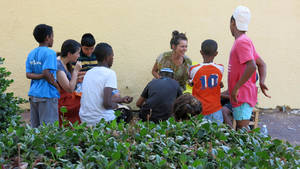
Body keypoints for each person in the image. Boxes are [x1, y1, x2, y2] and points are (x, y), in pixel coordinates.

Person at [228, 6, 270, 130]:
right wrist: (261, 82)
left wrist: (236, 88)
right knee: (241, 128)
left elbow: (252, 66)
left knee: (242, 129)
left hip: (242, 94)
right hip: (242, 94)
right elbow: (261, 64)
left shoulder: (242, 42)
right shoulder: (245, 40)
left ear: (233, 22)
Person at [79, 42, 133, 126]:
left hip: (85, 120)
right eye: (112, 56)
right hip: (102, 121)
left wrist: (121, 100)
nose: (113, 59)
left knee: (120, 105)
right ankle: (115, 135)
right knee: (127, 111)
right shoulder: (110, 73)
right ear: (107, 57)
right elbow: (107, 104)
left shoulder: (89, 73)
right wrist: (117, 105)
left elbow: (99, 99)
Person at [25, 24, 60, 128]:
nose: (53, 39)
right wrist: (56, 86)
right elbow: (46, 73)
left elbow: (28, 74)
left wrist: (41, 75)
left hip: (34, 94)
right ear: (47, 37)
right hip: (47, 94)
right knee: (49, 129)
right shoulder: (50, 53)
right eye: (52, 36)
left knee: (35, 129)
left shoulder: (31, 53)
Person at [189, 39, 224, 125]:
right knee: (216, 134)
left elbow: (191, 82)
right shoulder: (220, 68)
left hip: (199, 109)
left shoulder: (193, 69)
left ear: (201, 52)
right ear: (216, 53)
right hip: (215, 109)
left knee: (198, 135)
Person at [56, 39, 82, 125]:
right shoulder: (58, 66)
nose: (79, 56)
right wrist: (76, 71)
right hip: (61, 101)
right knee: (85, 101)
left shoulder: (65, 62)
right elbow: (69, 89)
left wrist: (78, 79)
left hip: (67, 97)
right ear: (69, 54)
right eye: (77, 53)